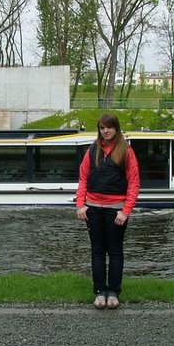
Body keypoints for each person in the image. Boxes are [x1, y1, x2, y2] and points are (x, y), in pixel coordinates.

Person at [76, 113, 140, 309]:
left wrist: (126, 210)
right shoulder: (92, 150)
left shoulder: (126, 152)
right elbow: (83, 178)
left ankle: (113, 292)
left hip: (116, 211)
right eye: (102, 128)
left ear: (116, 128)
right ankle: (99, 292)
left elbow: (134, 183)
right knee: (97, 252)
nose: (106, 131)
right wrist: (80, 204)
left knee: (115, 251)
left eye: (109, 127)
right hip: (93, 209)